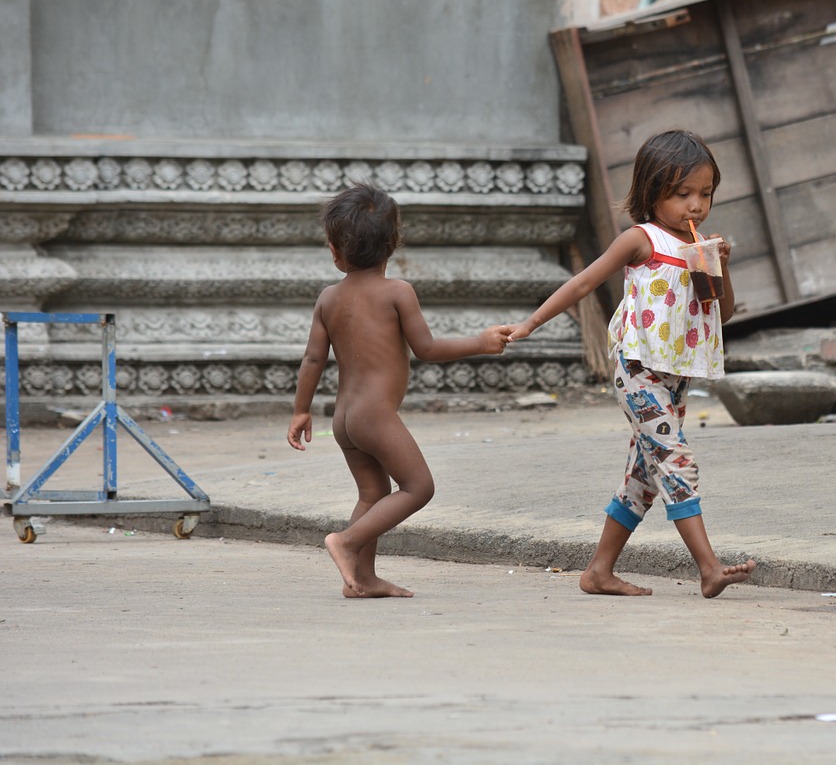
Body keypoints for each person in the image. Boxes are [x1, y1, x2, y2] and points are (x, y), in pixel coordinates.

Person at [508, 129, 756, 598]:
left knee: (643, 479)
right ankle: (709, 568)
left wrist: (721, 265)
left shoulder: (698, 247)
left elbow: (722, 313)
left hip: (675, 374)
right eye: (683, 194)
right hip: (637, 369)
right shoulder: (641, 240)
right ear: (652, 191)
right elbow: (583, 284)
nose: (696, 206)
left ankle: (599, 572)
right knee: (676, 460)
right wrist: (530, 324)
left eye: (705, 194)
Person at [287, 183, 512, 598]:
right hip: (375, 415)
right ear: (393, 244)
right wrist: (481, 343)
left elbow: (312, 361)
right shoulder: (397, 292)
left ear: (335, 251)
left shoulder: (328, 298)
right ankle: (346, 542)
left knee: (373, 494)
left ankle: (363, 579)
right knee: (418, 487)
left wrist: (301, 410)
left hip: (344, 418)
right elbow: (426, 349)